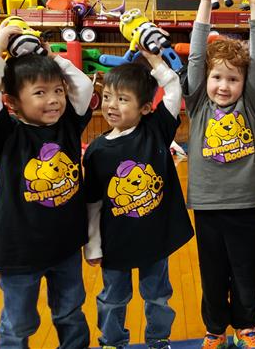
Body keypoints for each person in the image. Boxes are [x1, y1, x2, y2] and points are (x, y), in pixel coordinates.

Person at [0, 22, 94, 348]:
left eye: (57, 91)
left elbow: (82, 87)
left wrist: (52, 58)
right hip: (19, 253)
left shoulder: (68, 125)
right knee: (18, 324)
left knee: (70, 312)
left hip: (66, 247)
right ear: (12, 103)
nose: (54, 100)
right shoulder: (6, 135)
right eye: (40, 93)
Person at [184, 0, 255, 349]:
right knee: (212, 273)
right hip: (207, 206)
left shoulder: (250, 106)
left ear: (244, 84)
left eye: (233, 79)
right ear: (205, 80)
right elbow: (195, 55)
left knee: (244, 272)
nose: (224, 86)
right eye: (217, 77)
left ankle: (245, 326)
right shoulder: (198, 106)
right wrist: (205, 3)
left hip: (243, 205)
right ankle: (214, 330)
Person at [82, 48, 194, 349]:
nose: (111, 105)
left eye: (122, 98)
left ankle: (159, 340)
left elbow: (172, 87)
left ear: (145, 107)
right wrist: (92, 245)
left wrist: (153, 58)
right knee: (112, 298)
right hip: (115, 242)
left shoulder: (156, 130)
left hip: (155, 239)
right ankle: (112, 341)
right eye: (107, 97)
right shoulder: (97, 151)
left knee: (158, 296)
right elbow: (92, 203)